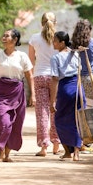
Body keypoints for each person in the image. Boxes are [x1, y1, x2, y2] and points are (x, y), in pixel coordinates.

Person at [0, 28, 35, 162]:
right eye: (3, 35)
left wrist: (32, 95)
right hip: (1, 91)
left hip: (17, 91)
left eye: (7, 36)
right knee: (3, 122)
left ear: (15, 40)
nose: (4, 38)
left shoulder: (22, 56)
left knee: (16, 123)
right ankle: (0, 152)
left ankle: (7, 154)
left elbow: (29, 75)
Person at [71, 19, 93, 153]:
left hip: (76, 78)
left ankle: (79, 137)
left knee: (79, 107)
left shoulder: (72, 45)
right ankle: (91, 136)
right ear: (89, 30)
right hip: (92, 78)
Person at [28, 12, 60, 157]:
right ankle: (56, 143)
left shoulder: (34, 38)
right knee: (55, 109)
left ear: (41, 23)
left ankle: (43, 147)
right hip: (56, 78)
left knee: (42, 113)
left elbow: (30, 62)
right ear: (55, 22)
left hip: (39, 76)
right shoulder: (59, 38)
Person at [49, 31, 82, 161]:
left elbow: (55, 79)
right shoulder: (76, 54)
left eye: (55, 41)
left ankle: (68, 152)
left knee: (60, 120)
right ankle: (77, 152)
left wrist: (52, 101)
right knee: (77, 120)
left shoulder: (55, 58)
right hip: (78, 89)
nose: (53, 43)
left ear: (62, 43)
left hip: (65, 89)